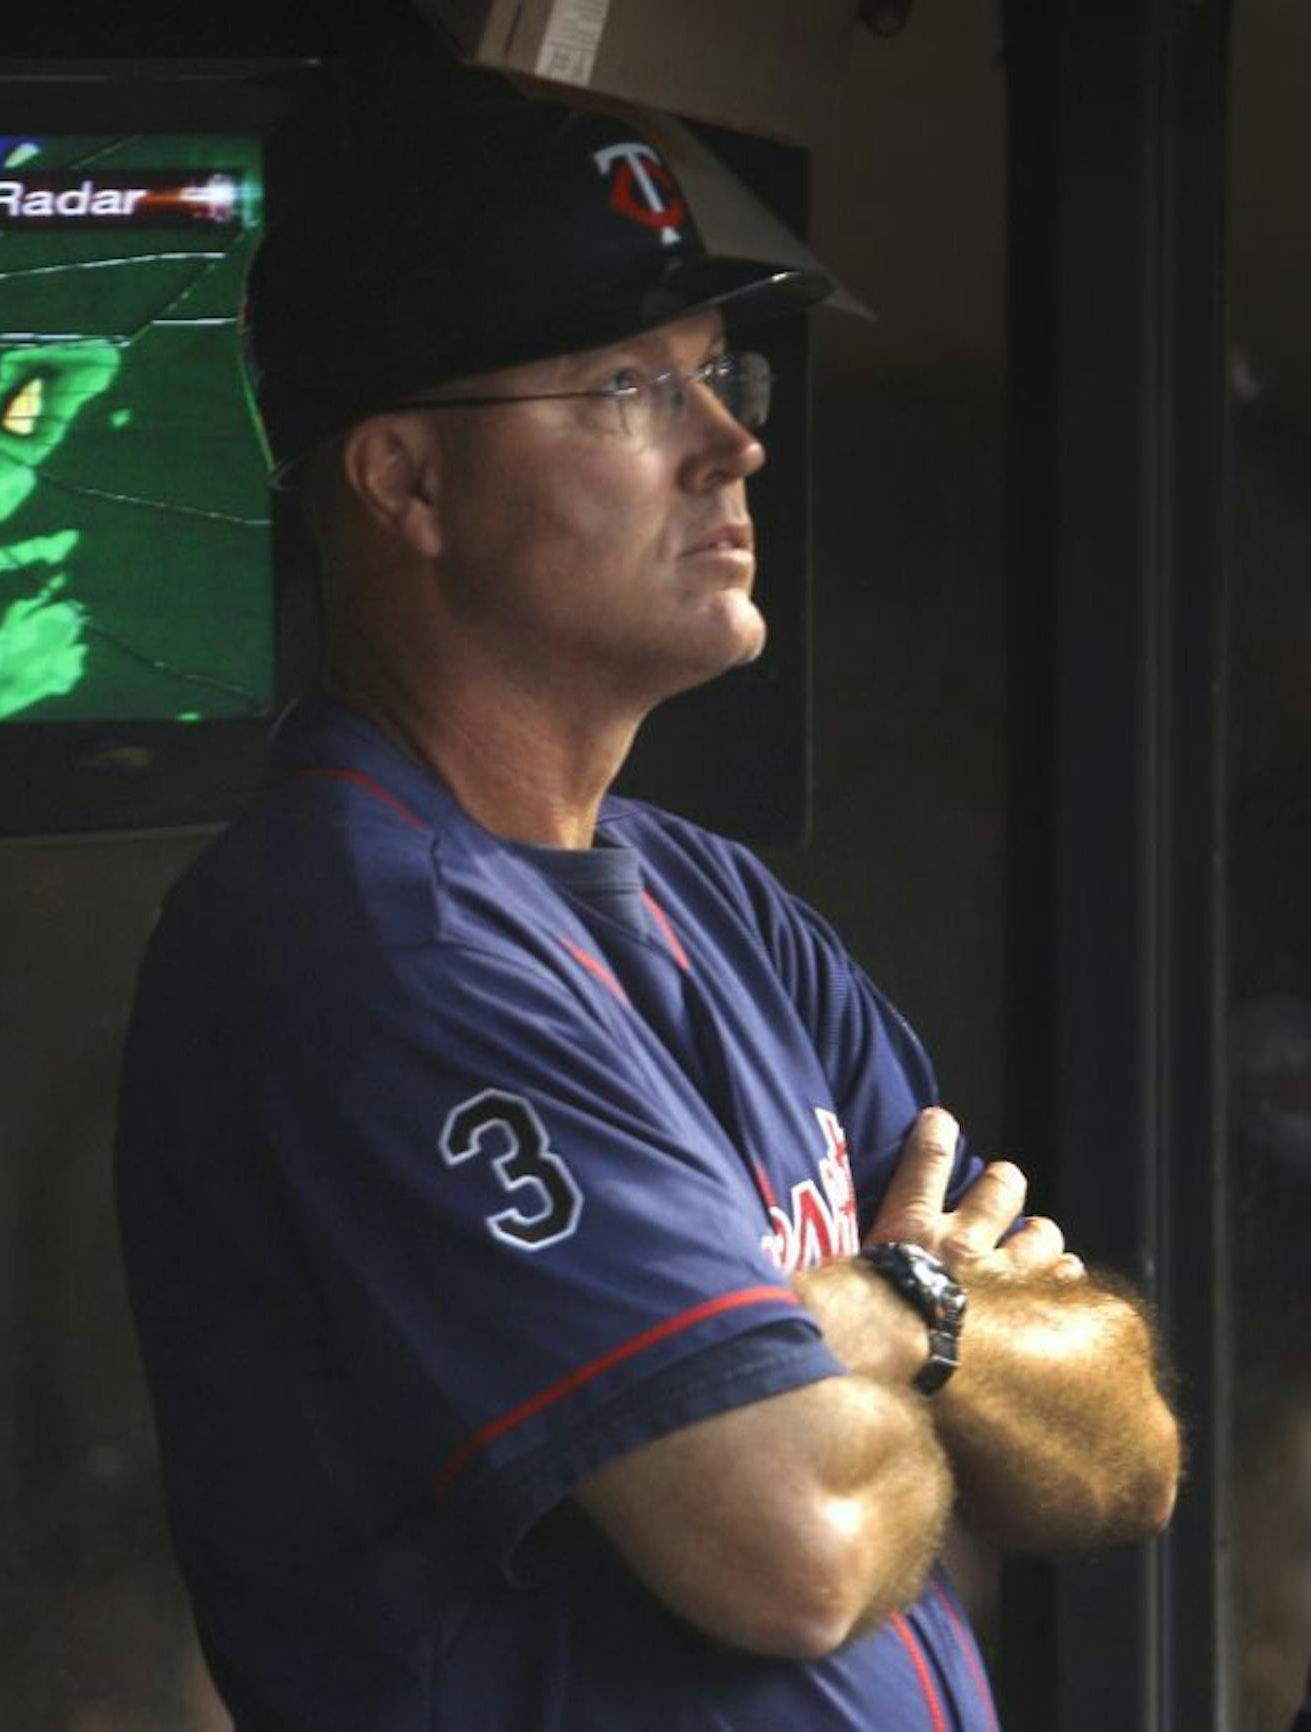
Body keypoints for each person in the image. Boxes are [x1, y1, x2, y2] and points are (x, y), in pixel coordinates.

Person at [114, 75, 1180, 1732]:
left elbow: (1120, 1454)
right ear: (406, 482)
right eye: (627, 387)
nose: (732, 441)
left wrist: (876, 1334)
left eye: (714, 375)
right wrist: (923, 1302)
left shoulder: (719, 903)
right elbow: (795, 1545)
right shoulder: (368, 941)